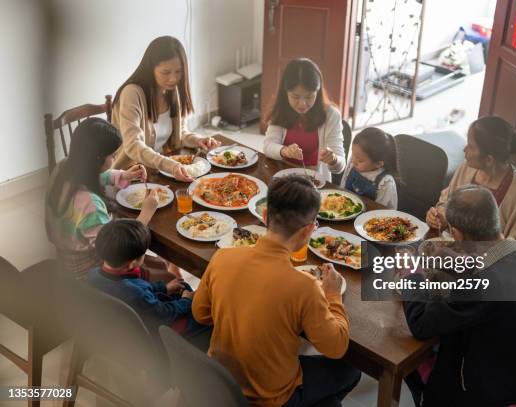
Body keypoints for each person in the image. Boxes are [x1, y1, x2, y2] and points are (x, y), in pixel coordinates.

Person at [192, 176, 360, 406]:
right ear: (309, 230)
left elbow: (200, 314)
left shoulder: (223, 257)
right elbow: (336, 347)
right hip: (269, 397)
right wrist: (332, 295)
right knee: (350, 371)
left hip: (220, 382)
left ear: (264, 216)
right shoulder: (305, 286)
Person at [403, 185, 516, 406]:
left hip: (501, 396)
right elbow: (501, 270)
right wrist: (460, 263)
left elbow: (419, 323)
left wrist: (412, 274)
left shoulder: (480, 286)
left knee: (411, 360)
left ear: (456, 233)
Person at [45, 118, 159, 278]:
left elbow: (92, 175)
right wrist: (146, 213)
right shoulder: (90, 205)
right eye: (113, 156)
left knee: (155, 265)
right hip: (89, 270)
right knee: (156, 272)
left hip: (65, 254)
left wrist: (122, 175)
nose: (115, 159)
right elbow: (116, 249)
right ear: (96, 159)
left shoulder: (63, 167)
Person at [111, 36, 221, 182]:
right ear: (151, 69)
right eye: (166, 72)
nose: (173, 79)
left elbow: (180, 133)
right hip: (131, 177)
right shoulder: (132, 93)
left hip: (159, 171)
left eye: (178, 72)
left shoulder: (171, 91)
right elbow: (133, 146)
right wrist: (170, 165)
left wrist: (199, 140)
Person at [86, 219, 208, 339]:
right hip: (163, 330)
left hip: (128, 318)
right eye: (144, 254)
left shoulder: (93, 274)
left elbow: (140, 291)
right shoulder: (135, 293)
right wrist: (186, 301)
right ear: (132, 264)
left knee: (183, 287)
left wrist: (164, 288)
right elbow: (165, 314)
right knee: (204, 311)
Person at [426, 116, 516, 239]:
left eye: (470, 147)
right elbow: (445, 202)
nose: (464, 149)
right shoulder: (466, 168)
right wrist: (441, 216)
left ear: (489, 160)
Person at [263, 58, 346, 181]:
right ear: (286, 92)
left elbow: (340, 167)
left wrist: (333, 160)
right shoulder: (281, 109)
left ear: (317, 93)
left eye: (309, 97)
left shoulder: (331, 115)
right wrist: (284, 151)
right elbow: (268, 146)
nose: (302, 104)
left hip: (314, 181)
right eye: (295, 97)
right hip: (282, 175)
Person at [340, 127, 399, 209]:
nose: (353, 161)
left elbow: (385, 213)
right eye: (353, 154)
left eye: (360, 161)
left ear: (378, 164)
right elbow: (342, 188)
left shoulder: (385, 183)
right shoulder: (355, 160)